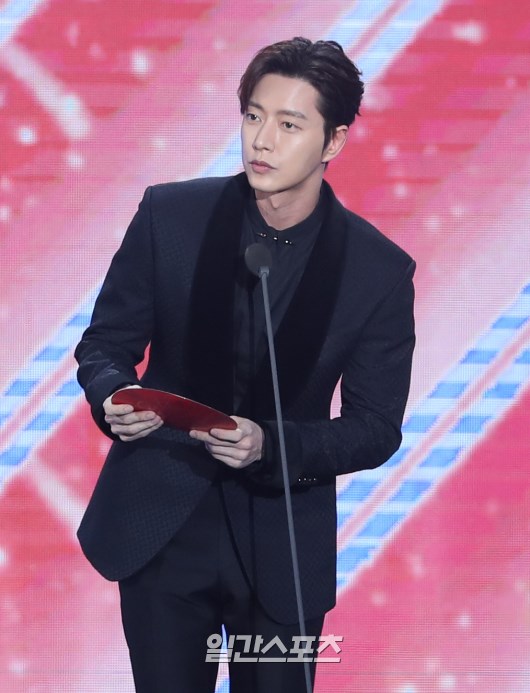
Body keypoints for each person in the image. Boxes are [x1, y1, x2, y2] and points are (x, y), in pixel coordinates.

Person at [75, 37, 415, 693]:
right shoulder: (171, 216)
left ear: (334, 141)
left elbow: (375, 427)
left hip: (283, 544)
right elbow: (106, 342)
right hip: (162, 528)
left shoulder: (377, 271)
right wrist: (112, 393)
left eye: (289, 125)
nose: (262, 140)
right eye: (254, 116)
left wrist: (272, 444)